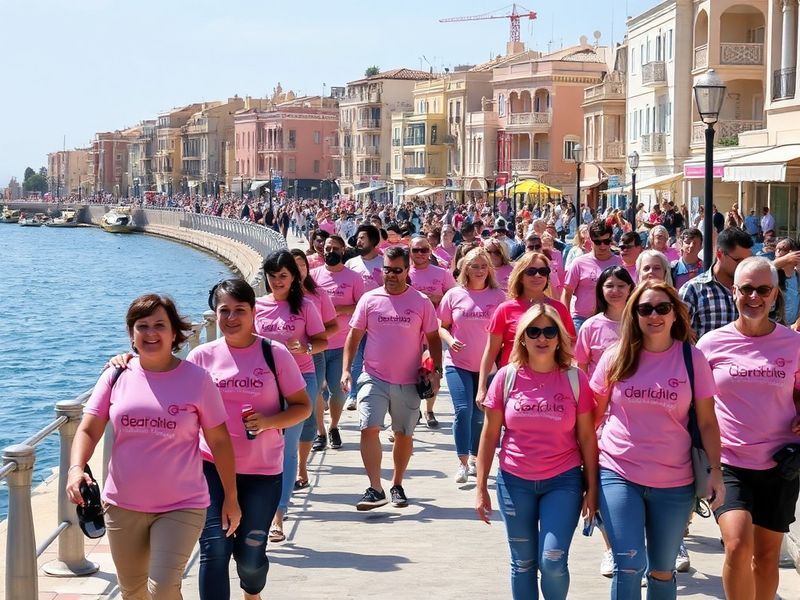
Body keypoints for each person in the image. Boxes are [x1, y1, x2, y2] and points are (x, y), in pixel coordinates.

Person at [67, 294, 241, 599]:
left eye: (159, 325)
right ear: (131, 334)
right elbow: (89, 429)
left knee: (162, 588)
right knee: (132, 591)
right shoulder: (115, 375)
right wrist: (75, 469)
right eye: (142, 326)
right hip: (122, 505)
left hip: (182, 504)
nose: (150, 333)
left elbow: (220, 441)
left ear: (174, 333)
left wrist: (231, 497)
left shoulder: (198, 380)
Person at [590, 281, 724, 599]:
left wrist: (716, 471)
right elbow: (592, 417)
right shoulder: (616, 357)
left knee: (663, 570)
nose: (654, 315)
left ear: (675, 314)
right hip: (618, 472)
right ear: (634, 315)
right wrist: (585, 470)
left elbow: (707, 421)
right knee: (628, 565)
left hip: (674, 480)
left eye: (662, 308)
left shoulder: (693, 359)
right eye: (645, 309)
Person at [193, 280, 311, 599]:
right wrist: (125, 365)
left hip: (261, 472)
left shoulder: (275, 354)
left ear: (254, 312)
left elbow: (303, 406)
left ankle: (252, 591)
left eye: (239, 310)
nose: (231, 317)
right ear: (214, 314)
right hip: (211, 469)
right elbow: (172, 392)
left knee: (250, 559)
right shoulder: (201, 357)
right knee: (214, 549)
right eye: (224, 310)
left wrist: (270, 421)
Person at [475, 304, 598, 600]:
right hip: (514, 482)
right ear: (522, 338)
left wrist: (592, 488)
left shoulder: (575, 378)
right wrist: (480, 487)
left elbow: (587, 437)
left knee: (553, 560)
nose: (541, 338)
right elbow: (490, 434)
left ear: (559, 338)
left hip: (563, 481)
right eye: (533, 331)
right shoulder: (506, 377)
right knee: (523, 563)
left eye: (549, 331)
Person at [695, 257, 800, 600]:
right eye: (747, 289)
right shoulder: (710, 344)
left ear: (774, 295)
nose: (754, 297)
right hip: (728, 462)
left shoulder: (793, 345)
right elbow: (692, 402)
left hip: (781, 465)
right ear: (734, 291)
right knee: (738, 546)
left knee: (766, 557)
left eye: (763, 290)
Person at [341, 246, 442, 510]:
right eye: (387, 270)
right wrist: (345, 369)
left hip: (409, 380)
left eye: (397, 270)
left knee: (402, 434)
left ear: (407, 271)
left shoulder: (420, 302)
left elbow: (433, 338)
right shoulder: (369, 299)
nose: (392, 275)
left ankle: (397, 484)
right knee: (368, 427)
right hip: (373, 376)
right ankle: (375, 488)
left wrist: (436, 372)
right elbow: (353, 336)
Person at [256, 250, 328, 542]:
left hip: (300, 380)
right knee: (262, 445)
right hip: (262, 384)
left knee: (286, 447)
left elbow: (322, 339)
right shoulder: (257, 306)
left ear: (294, 277)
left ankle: (278, 516)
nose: (277, 282)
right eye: (272, 277)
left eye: (283, 276)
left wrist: (307, 348)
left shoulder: (306, 306)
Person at [438, 247, 506, 484]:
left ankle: (477, 458)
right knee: (463, 410)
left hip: (488, 367)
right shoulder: (454, 295)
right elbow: (441, 326)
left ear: (490, 269)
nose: (479, 271)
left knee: (479, 415)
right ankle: (463, 462)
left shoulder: (499, 297)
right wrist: (450, 340)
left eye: (483, 266)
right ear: (464, 268)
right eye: (474, 266)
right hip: (457, 364)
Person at [478, 252, 576, 407]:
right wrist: (482, 387)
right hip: (514, 381)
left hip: (551, 381)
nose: (537, 276)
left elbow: (569, 345)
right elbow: (491, 351)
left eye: (543, 272)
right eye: (531, 271)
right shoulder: (505, 309)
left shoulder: (559, 309)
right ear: (520, 275)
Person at [310, 235, 365, 450]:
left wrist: (338, 310)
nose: (329, 251)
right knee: (315, 391)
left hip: (342, 343)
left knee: (338, 392)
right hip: (317, 343)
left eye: (334, 248)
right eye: (326, 248)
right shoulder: (313, 277)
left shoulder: (354, 278)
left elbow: (361, 306)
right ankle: (320, 432)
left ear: (343, 251)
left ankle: (333, 426)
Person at [290, 249, 338, 486]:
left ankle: (301, 466)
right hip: (278, 365)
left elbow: (332, 327)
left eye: (301, 264)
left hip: (311, 357)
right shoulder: (275, 297)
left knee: (308, 403)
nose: (298, 269)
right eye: (293, 265)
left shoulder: (317, 294)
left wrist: (310, 343)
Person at [679, 227, 754, 338]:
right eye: (739, 261)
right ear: (719, 255)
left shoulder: (754, 289)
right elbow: (678, 338)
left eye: (748, 261)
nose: (744, 266)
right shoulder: (693, 290)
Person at [343, 224, 385, 411]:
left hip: (381, 321)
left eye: (363, 238)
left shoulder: (384, 263)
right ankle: (353, 395)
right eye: (358, 238)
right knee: (356, 358)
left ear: (374, 241)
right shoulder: (351, 264)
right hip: (357, 319)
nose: (358, 241)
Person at [562, 219, 623, 331]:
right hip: (581, 320)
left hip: (611, 320)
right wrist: (566, 323)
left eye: (606, 241)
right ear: (590, 240)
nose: (603, 246)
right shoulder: (579, 263)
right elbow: (566, 294)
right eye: (598, 242)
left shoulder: (620, 263)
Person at [574, 266, 635, 378]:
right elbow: (582, 366)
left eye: (621, 286)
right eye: (609, 286)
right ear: (601, 289)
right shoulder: (590, 326)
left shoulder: (640, 323)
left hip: (633, 392)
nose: (615, 290)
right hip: (598, 393)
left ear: (630, 289)